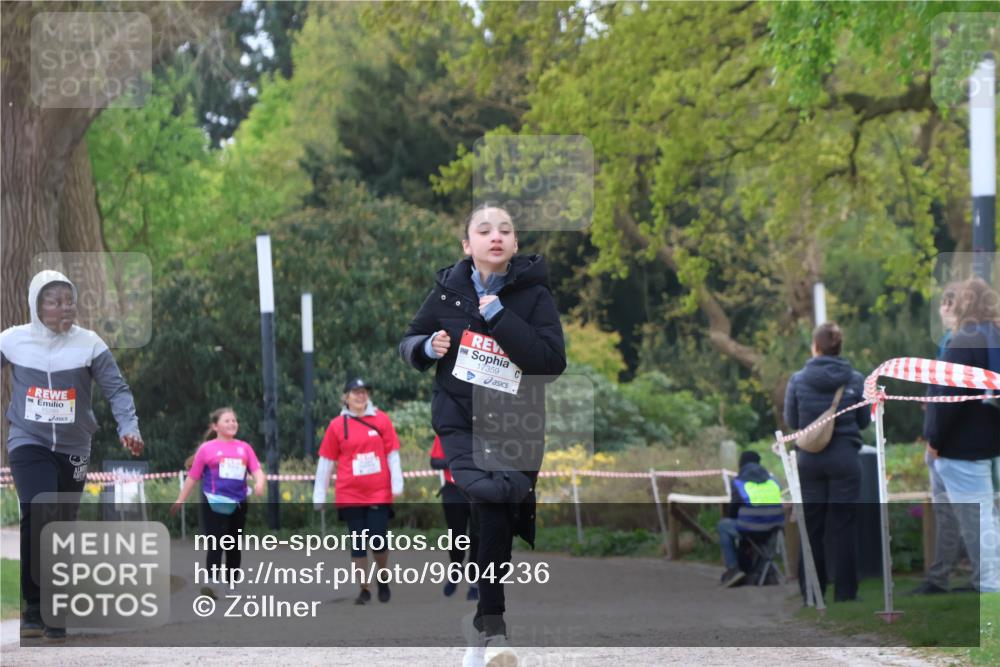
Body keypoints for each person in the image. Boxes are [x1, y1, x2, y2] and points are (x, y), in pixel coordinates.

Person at [400, 204, 566, 666]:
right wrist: (424, 347)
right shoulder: (447, 293)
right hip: (461, 422)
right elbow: (407, 340)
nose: (496, 236)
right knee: (489, 501)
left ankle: (479, 626)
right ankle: (492, 629)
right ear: (467, 245)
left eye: (506, 230)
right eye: (484, 230)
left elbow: (550, 362)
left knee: (497, 521)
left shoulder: (533, 296)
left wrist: (498, 316)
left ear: (514, 245)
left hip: (518, 426)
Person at [1, 270, 144, 641]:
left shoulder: (89, 344)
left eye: (70, 300)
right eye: (55, 301)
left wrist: (129, 427)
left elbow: (118, 390)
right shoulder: (13, 341)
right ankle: (37, 610)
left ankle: (52, 607)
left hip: (74, 447)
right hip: (27, 439)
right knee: (40, 509)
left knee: (60, 524)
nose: (65, 308)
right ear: (37, 305)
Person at [923, 276, 1000, 593]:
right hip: (991, 444)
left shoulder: (964, 342)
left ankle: (991, 590)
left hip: (962, 448)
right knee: (990, 519)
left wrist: (934, 440)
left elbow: (946, 399)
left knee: (979, 524)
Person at [784, 321, 870, 603]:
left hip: (810, 460)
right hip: (845, 458)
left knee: (811, 527)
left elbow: (793, 422)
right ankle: (846, 593)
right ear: (839, 348)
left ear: (815, 347)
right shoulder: (856, 379)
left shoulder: (798, 379)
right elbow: (863, 421)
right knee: (844, 525)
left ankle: (812, 592)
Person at [312, 377, 404, 605]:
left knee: (378, 539)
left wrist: (397, 482)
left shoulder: (381, 420)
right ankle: (364, 589)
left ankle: (382, 578)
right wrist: (319, 494)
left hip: (378, 491)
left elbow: (392, 454)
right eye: (355, 392)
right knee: (358, 542)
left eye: (364, 392)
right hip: (349, 493)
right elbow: (326, 461)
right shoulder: (336, 425)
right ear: (346, 397)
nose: (360, 396)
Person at [908, 285, 969, 594]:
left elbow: (956, 396)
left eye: (949, 303)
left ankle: (944, 577)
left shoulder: (961, 343)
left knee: (958, 513)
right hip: (944, 441)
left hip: (949, 445)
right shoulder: (950, 342)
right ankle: (942, 576)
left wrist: (935, 441)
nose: (943, 309)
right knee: (951, 513)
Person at [170, 408, 266, 598]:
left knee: (233, 544)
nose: (232, 423)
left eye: (234, 420)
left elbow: (257, 470)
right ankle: (212, 582)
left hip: (238, 502)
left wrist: (260, 483)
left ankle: (232, 584)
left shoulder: (244, 448)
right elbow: (193, 477)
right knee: (215, 541)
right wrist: (180, 499)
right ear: (215, 426)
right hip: (213, 501)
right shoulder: (207, 449)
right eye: (227, 421)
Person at [717, 451, 784, 588]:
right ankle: (765, 570)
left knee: (723, 525)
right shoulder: (774, 482)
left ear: (741, 465)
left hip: (749, 528)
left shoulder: (738, 482)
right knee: (757, 530)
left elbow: (733, 510)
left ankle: (733, 569)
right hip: (774, 528)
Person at [430, 434, 479, 600]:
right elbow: (434, 462)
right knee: (457, 536)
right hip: (453, 489)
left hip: (479, 488)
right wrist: (457, 460)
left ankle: (474, 581)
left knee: (477, 536)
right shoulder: (446, 432)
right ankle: (456, 568)